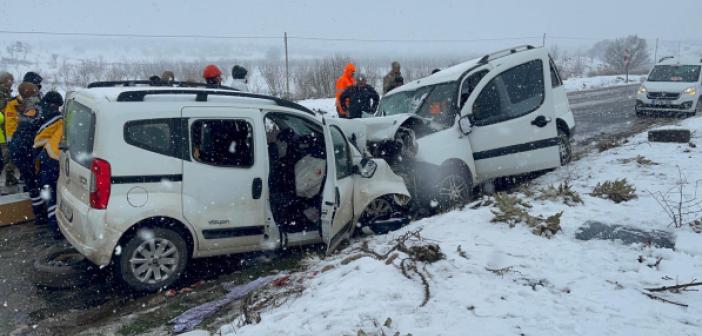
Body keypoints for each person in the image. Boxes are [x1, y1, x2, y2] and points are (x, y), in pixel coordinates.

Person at [9, 82, 44, 224]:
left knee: (32, 184)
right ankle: (41, 215)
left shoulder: (24, 108)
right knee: (36, 183)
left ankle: (39, 214)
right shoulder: (34, 109)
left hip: (19, 151)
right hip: (25, 152)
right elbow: (36, 125)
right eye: (36, 92)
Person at [33, 91, 64, 238]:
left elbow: (40, 139)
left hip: (45, 157)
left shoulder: (40, 111)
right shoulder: (60, 121)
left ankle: (47, 220)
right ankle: (56, 229)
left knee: (48, 191)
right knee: (53, 195)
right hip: (53, 160)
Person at [0, 72, 15, 186]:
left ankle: (10, 176)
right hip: (2, 130)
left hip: (8, 129)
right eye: (7, 80)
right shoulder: (2, 95)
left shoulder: (7, 94)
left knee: (9, 154)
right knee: (6, 155)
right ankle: (9, 177)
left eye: (11, 80)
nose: (10, 83)